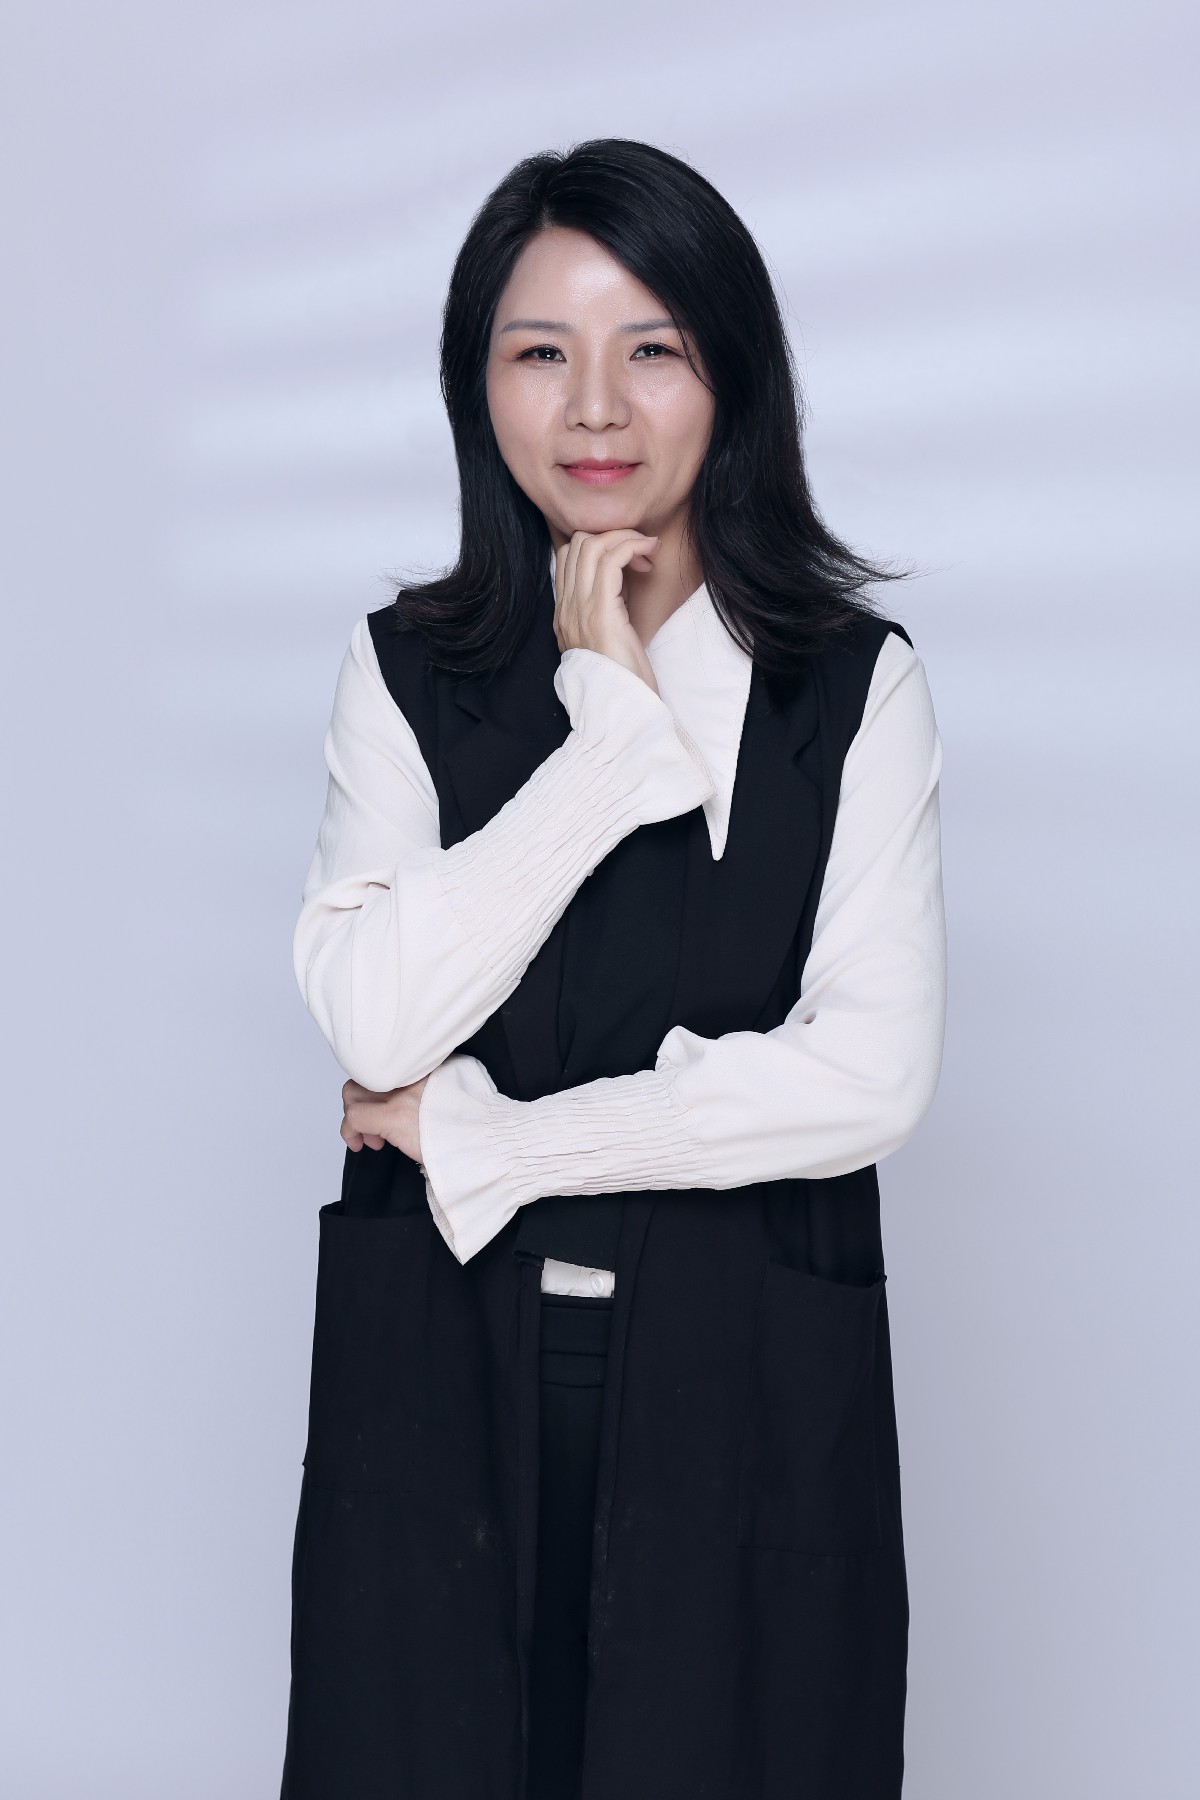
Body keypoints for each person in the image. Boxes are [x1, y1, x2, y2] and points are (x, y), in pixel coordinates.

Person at [280, 137, 946, 1800]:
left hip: (742, 1377)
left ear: (732, 378)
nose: (594, 409)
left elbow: (867, 1079)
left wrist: (503, 1143)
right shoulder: (406, 673)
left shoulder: (849, 690)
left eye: (652, 348)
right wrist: (605, 748)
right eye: (539, 353)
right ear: (478, 388)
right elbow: (373, 1013)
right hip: (444, 1361)